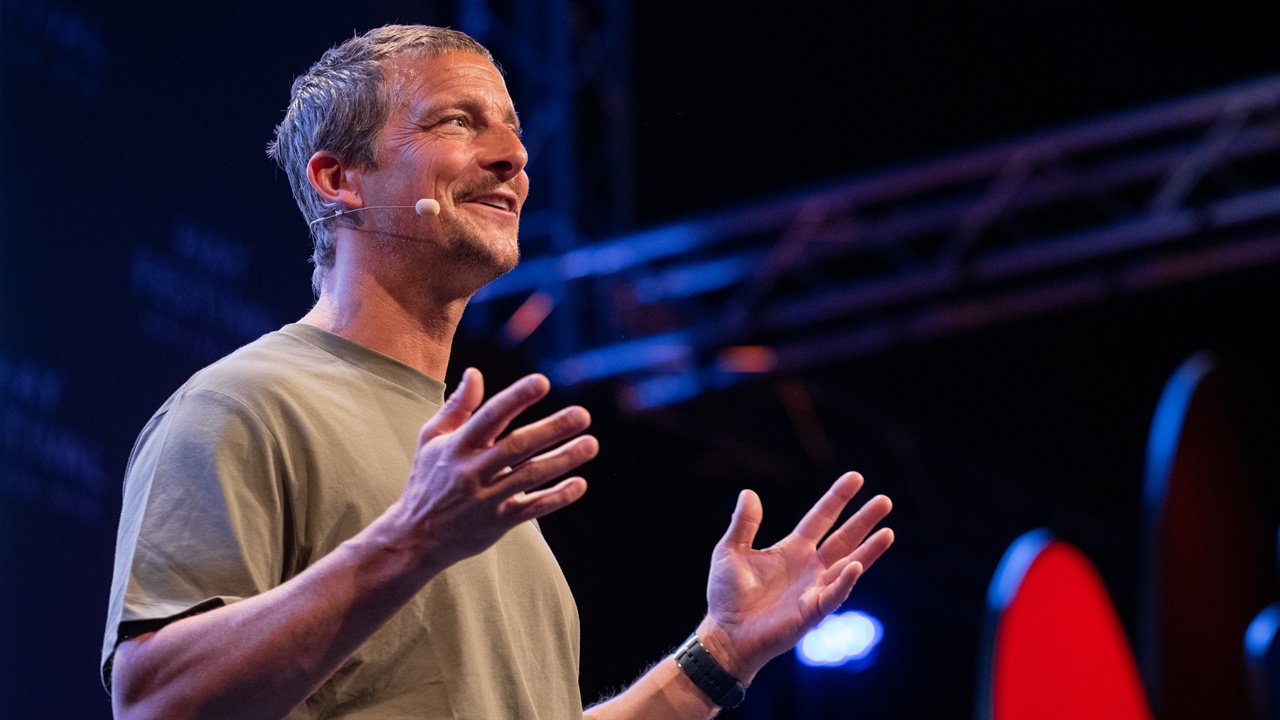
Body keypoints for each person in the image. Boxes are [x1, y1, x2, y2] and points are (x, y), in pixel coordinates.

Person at [102, 24, 894, 720]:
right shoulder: (249, 403)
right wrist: (412, 540)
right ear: (339, 178)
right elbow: (154, 703)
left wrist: (719, 656)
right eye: (457, 121)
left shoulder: (468, 483)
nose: (515, 156)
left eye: (512, 129)